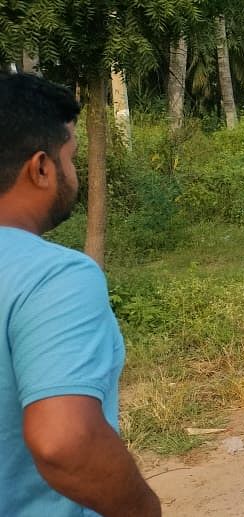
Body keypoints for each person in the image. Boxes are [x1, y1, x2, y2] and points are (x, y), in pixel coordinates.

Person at [0, 74, 162, 515]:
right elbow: (64, 440)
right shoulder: (53, 275)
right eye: (70, 158)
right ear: (41, 168)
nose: (73, 172)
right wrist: (144, 509)